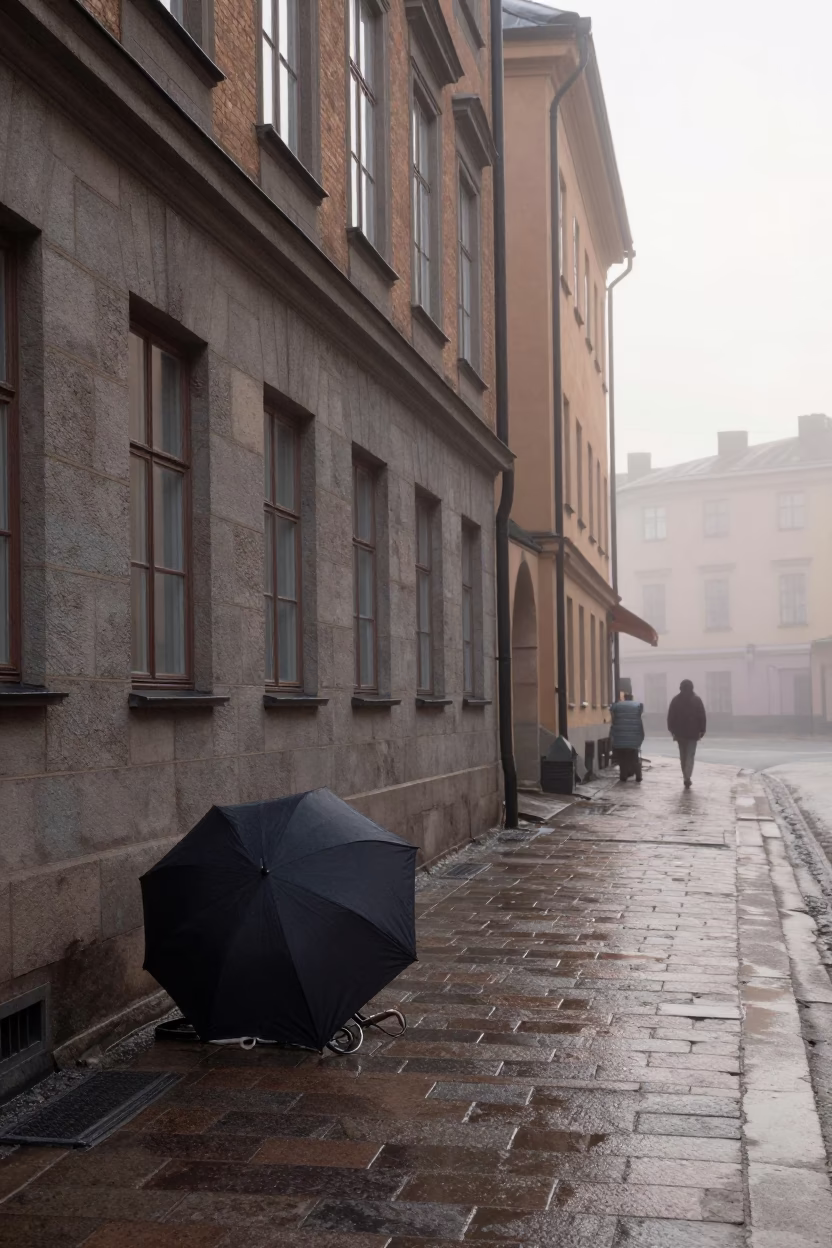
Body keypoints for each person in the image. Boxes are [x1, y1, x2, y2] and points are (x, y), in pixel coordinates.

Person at [667, 679, 707, 788]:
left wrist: (672, 730)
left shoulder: (675, 700)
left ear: (680, 688)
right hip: (693, 733)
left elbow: (671, 717)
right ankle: (687, 776)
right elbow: (702, 716)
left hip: (679, 733)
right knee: (690, 755)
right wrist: (702, 730)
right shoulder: (697, 700)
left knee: (683, 755)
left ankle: (685, 775)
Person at [609, 692, 645, 782]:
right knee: (635, 758)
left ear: (624, 698)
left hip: (620, 737)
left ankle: (623, 775)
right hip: (633, 738)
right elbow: (640, 723)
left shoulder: (617, 706)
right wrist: (640, 738)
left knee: (623, 758)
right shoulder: (637, 706)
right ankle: (638, 776)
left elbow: (613, 720)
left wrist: (613, 737)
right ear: (631, 698)